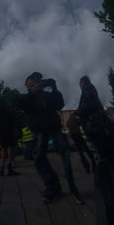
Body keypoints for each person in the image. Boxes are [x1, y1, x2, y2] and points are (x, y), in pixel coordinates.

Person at [21, 73, 78, 201]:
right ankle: (52, 185)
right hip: (39, 129)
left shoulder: (47, 95)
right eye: (32, 81)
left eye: (37, 80)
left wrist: (54, 88)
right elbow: (20, 102)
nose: (36, 82)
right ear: (27, 85)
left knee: (63, 151)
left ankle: (71, 184)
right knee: (39, 157)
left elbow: (59, 104)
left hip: (53, 127)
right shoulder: (28, 98)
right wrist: (33, 92)